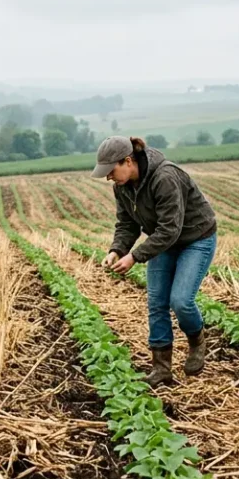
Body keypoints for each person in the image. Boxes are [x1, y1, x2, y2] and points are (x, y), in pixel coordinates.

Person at [92, 136, 217, 387]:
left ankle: (196, 339)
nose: (109, 178)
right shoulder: (122, 186)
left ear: (128, 161)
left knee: (181, 301)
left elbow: (170, 229)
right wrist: (117, 249)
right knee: (157, 303)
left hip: (195, 239)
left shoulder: (165, 177)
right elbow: (127, 224)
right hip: (162, 242)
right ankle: (161, 369)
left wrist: (135, 256)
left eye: (111, 171)